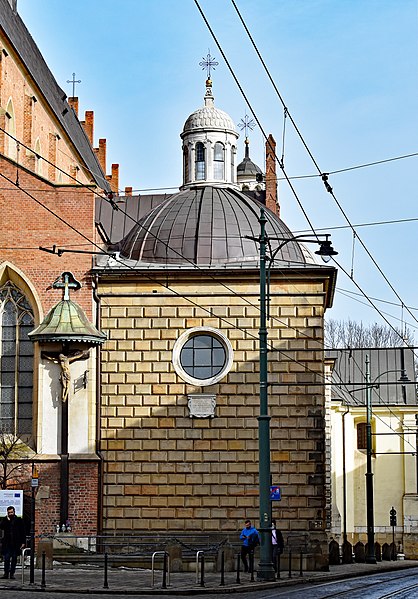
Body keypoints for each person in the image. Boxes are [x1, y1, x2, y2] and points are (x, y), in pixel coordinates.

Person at [0, 506, 26, 579]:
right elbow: (1, 526)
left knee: (14, 559)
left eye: (11, 512)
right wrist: (6, 520)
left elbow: (22, 531)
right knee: (7, 558)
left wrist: (23, 542)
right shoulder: (5, 520)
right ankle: (6, 573)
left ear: (14, 512)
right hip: (7, 543)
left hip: (16, 543)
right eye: (9, 512)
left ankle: (12, 573)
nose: (10, 514)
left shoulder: (18, 520)